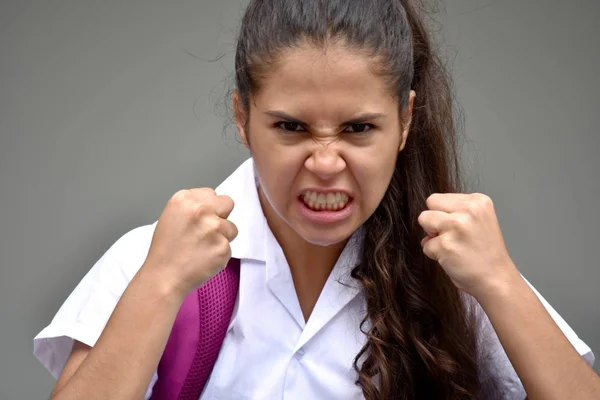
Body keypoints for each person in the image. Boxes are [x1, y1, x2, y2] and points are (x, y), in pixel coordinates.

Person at [33, 0, 599, 399]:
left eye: (358, 129)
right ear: (242, 118)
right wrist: (158, 285)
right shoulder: (150, 262)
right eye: (291, 127)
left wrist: (500, 283)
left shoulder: (458, 275)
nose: (325, 163)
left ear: (405, 121)